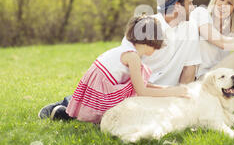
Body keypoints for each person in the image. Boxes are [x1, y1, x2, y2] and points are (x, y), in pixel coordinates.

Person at [39, 0, 200, 120]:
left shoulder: (190, 27)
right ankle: (68, 104)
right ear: (177, 6)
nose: (193, 7)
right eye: (190, 3)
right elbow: (121, 68)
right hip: (136, 89)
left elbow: (189, 67)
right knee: (114, 112)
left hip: (162, 91)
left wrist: (180, 95)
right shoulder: (148, 27)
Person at [38, 16, 189, 123]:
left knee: (133, 86)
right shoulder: (133, 57)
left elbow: (142, 84)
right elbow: (141, 90)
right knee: (118, 111)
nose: (156, 50)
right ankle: (61, 114)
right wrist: (173, 92)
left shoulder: (128, 49)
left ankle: (62, 111)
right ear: (149, 41)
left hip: (98, 82)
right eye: (156, 45)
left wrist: (165, 88)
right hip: (103, 88)